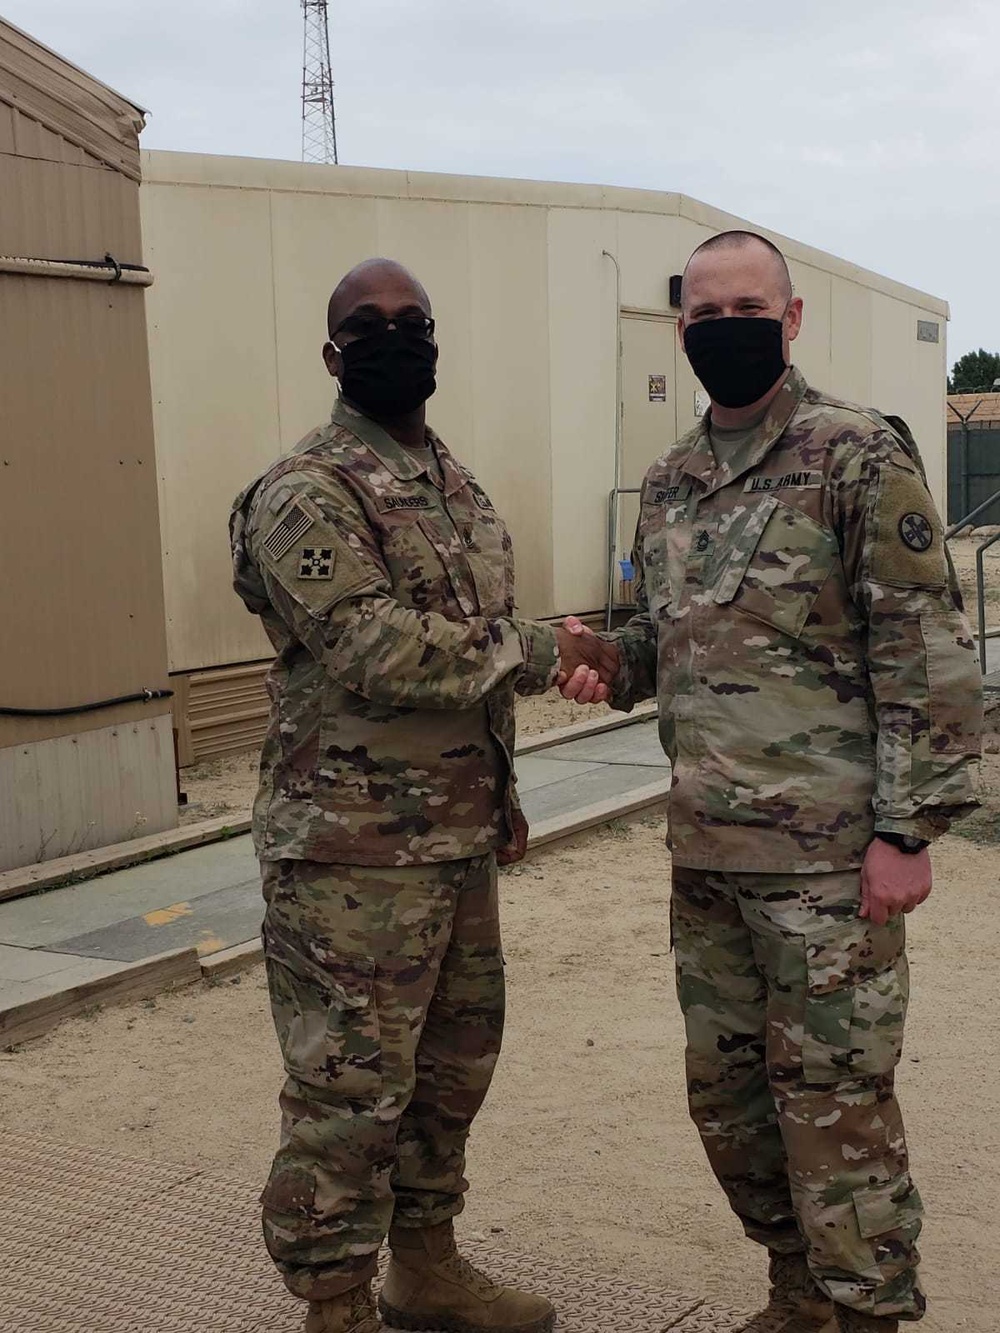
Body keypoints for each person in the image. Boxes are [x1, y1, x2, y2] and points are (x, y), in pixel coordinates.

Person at [560, 232, 982, 1332]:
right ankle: (797, 1291)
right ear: (681, 330)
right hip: (706, 859)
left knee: (835, 1111)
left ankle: (866, 1313)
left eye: (746, 305)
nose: (723, 326)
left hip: (828, 869)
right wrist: (606, 659)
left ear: (790, 321)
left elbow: (925, 656)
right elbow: (664, 642)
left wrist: (907, 829)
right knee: (731, 1109)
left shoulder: (856, 455)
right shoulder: (667, 480)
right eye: (702, 313)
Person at [230, 257, 616, 1333]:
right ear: (332, 352)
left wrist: (500, 803)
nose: (394, 337)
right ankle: (335, 1302)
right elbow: (375, 648)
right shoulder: (307, 489)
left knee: (450, 1070)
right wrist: (546, 651)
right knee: (348, 1090)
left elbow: (466, 653)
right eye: (369, 323)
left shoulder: (447, 478)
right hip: (347, 857)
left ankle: (426, 1265)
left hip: (448, 840)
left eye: (412, 322)